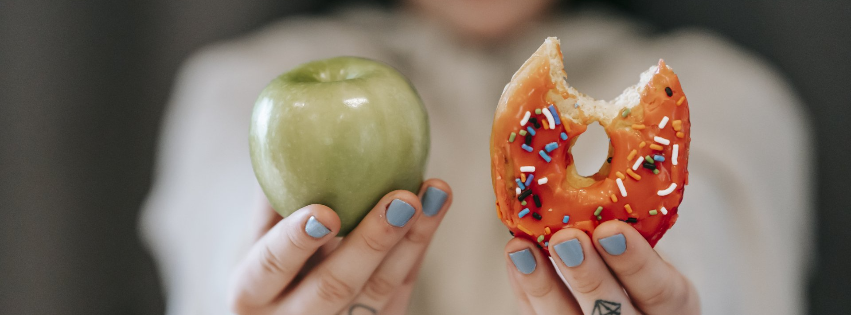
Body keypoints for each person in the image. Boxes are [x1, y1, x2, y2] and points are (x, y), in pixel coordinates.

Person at [141, 0, 812, 314]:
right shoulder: (237, 86)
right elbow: (221, 249)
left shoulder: (728, 93)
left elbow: (714, 252)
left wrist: (675, 291)